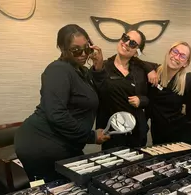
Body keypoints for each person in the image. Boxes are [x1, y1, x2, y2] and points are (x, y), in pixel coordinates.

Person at [14, 24, 109, 182]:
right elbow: (57, 114)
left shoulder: (82, 71)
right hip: (41, 143)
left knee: (76, 185)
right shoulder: (57, 70)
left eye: (87, 48)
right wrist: (91, 136)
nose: (83, 54)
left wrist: (98, 68)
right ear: (62, 48)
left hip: (65, 141)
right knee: (54, 193)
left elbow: (100, 96)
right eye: (76, 50)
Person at [142, 41, 191, 145]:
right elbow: (137, 62)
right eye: (175, 51)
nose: (176, 57)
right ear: (169, 52)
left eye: (182, 56)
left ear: (186, 63)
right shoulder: (155, 72)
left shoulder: (188, 79)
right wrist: (149, 71)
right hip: (158, 131)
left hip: (182, 132)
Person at [91, 30, 149, 150]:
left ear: (136, 52)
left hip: (136, 132)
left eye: (132, 43)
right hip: (112, 133)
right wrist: (97, 68)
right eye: (125, 38)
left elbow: (149, 98)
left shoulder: (140, 71)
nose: (126, 43)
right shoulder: (103, 67)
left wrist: (141, 100)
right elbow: (97, 93)